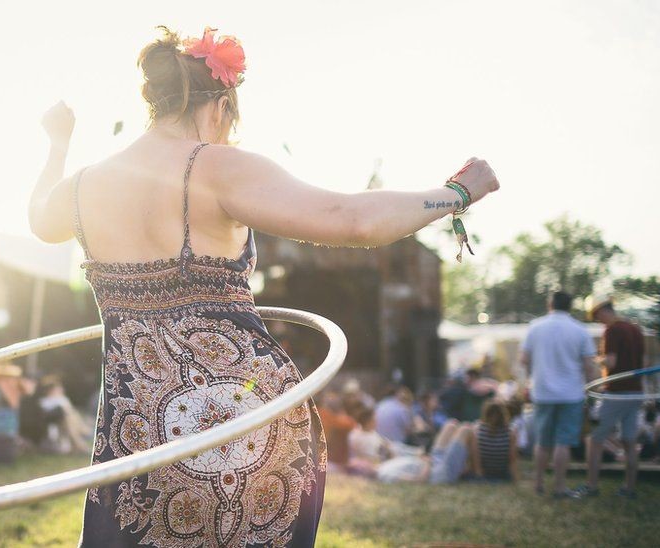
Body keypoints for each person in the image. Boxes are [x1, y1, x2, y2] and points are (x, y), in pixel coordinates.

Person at [27, 26, 499, 546]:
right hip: (250, 424)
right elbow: (354, 220)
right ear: (221, 106)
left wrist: (58, 144)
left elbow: (39, 219)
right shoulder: (218, 166)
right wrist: (456, 193)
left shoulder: (83, 186)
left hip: (139, 428)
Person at [519, 291, 597, 498]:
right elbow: (589, 366)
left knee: (542, 442)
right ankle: (560, 487)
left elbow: (524, 360)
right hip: (571, 394)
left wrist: (529, 381)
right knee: (564, 442)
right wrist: (592, 390)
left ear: (550, 304)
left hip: (542, 393)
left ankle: (538, 483)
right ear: (570, 306)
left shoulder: (535, 327)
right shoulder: (580, 330)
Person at [578, 295, 647, 499]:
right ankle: (629, 488)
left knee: (594, 439)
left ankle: (591, 486)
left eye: (596, 316)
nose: (597, 320)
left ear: (602, 310)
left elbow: (610, 362)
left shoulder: (612, 330)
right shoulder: (635, 329)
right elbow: (643, 363)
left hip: (616, 394)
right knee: (629, 442)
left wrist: (595, 360)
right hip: (636, 392)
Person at [376, 420, 480, 484]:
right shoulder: (386, 476)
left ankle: (466, 468)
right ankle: (478, 474)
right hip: (438, 474)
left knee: (451, 425)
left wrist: (389, 451)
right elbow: (419, 481)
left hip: (432, 462)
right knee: (466, 429)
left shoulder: (383, 466)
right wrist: (427, 463)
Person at [472, 399, 519, 482]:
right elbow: (512, 459)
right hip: (501, 472)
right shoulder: (510, 432)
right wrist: (515, 479)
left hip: (483, 471)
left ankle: (477, 473)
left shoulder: (477, 429)